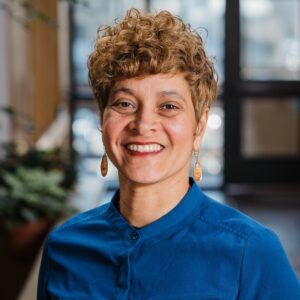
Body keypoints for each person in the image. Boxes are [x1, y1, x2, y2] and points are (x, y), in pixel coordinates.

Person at [37, 8, 300, 299]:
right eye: (124, 103)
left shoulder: (252, 252)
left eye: (169, 106)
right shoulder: (63, 248)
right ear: (102, 119)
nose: (143, 124)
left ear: (198, 128)